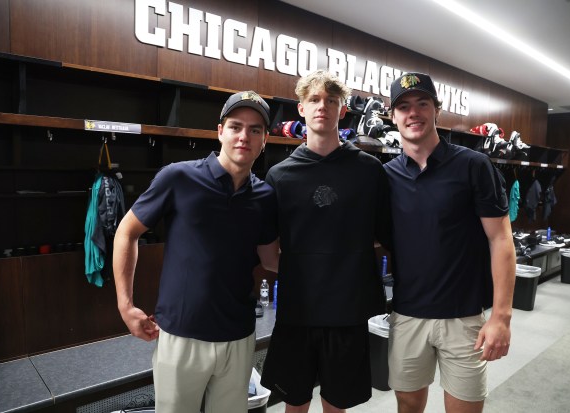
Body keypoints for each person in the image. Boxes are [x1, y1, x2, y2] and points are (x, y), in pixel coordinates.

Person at [113, 91, 279, 413]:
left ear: (264, 139)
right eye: (235, 126)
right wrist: (125, 304)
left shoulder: (265, 196)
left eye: (255, 129)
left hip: (239, 337)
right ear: (220, 131)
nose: (244, 136)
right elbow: (126, 232)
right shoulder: (179, 177)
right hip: (180, 336)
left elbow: (272, 260)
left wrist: (334, 261)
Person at [383, 72, 516, 413]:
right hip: (407, 315)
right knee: (408, 404)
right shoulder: (385, 176)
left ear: (437, 110)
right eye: (404, 107)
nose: (413, 113)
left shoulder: (473, 166)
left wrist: (501, 316)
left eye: (422, 104)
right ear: (393, 115)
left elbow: (500, 239)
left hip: (464, 318)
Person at [260, 70, 392, 413]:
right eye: (314, 100)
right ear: (301, 109)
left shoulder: (369, 171)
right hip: (296, 312)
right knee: (295, 402)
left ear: (343, 110)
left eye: (331, 101)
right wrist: (301, 272)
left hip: (348, 312)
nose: (323, 107)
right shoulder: (279, 176)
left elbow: (388, 234)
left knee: (337, 403)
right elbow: (267, 247)